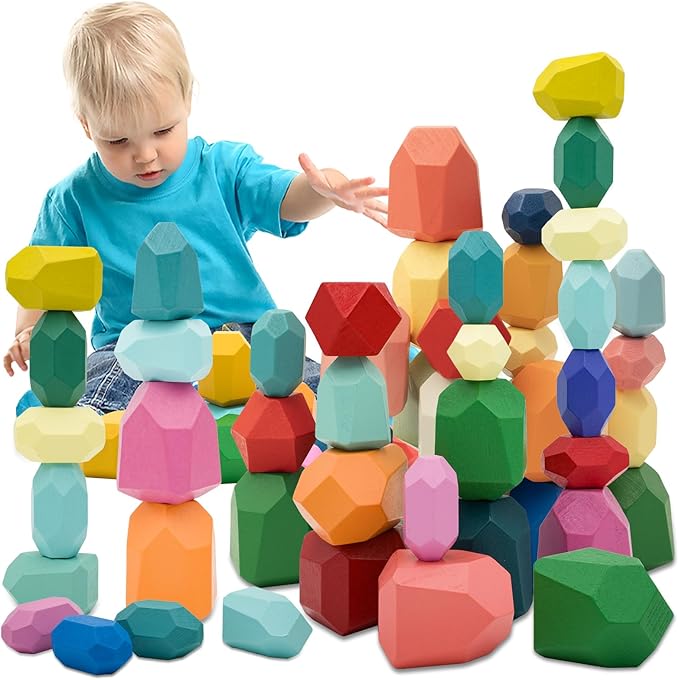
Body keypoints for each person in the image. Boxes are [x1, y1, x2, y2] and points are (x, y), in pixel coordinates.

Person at [4, 1, 388, 414]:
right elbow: (45, 281)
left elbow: (288, 199)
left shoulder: (223, 168)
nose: (145, 155)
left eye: (162, 130)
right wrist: (29, 330)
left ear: (187, 99)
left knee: (321, 396)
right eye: (118, 141)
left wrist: (325, 189)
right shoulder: (72, 200)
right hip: (133, 348)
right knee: (93, 397)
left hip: (236, 334)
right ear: (86, 125)